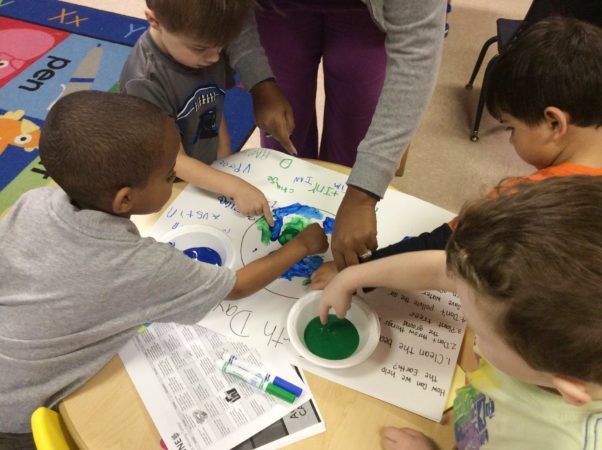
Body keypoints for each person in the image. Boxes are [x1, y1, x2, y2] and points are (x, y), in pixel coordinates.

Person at [0, 91, 328, 446]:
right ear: (125, 199)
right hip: (20, 414)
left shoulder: (34, 200)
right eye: (170, 176)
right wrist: (303, 246)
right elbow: (235, 286)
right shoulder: (139, 264)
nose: (175, 179)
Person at [310, 17, 602, 289]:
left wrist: (356, 273)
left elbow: (443, 251)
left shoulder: (528, 203)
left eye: (510, 128)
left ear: (554, 123)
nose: (511, 142)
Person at [319, 175, 602, 450]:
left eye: (480, 333)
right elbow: (441, 270)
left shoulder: (562, 442)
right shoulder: (554, 347)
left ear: (569, 388)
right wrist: (352, 277)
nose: (475, 344)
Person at [255, 0, 447, 270]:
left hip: (366, 14)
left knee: (352, 151)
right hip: (276, 8)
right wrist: (258, 79)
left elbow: (418, 52)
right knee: (282, 139)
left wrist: (363, 194)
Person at [119, 0, 296, 227]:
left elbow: (211, 103)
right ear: (154, 21)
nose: (214, 58)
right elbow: (174, 160)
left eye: (221, 47)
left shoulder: (206, 47)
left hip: (204, 172)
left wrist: (224, 157)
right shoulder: (144, 81)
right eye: (200, 49)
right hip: (164, 185)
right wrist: (234, 186)